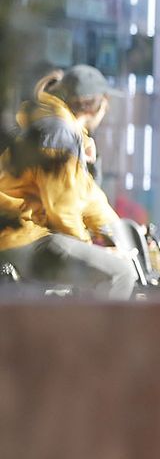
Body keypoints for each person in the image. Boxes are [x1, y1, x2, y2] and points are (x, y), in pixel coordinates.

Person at [0, 76, 136, 297]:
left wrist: (115, 234)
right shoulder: (59, 132)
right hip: (20, 237)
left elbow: (89, 198)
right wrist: (89, 247)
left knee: (110, 266)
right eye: (106, 105)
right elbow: (62, 209)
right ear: (94, 106)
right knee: (120, 274)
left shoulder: (64, 131)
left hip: (28, 233)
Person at [43, 64, 112, 177]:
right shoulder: (63, 135)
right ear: (91, 109)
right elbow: (67, 186)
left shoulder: (49, 120)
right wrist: (85, 164)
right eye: (105, 106)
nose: (105, 112)